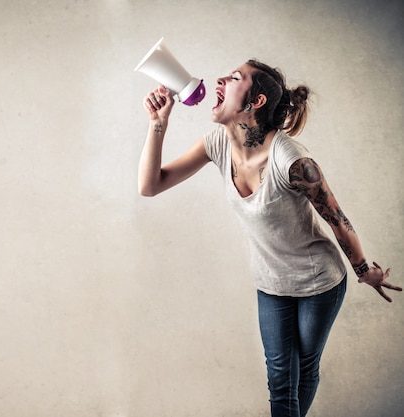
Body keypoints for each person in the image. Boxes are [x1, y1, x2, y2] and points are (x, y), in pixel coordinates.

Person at [137, 59, 402, 417]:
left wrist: (363, 271)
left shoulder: (289, 159)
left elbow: (337, 219)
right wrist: (158, 125)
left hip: (319, 283)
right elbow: (150, 186)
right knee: (281, 379)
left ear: (256, 102)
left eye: (233, 78)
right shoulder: (216, 143)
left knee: (304, 368)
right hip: (271, 283)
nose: (219, 79)